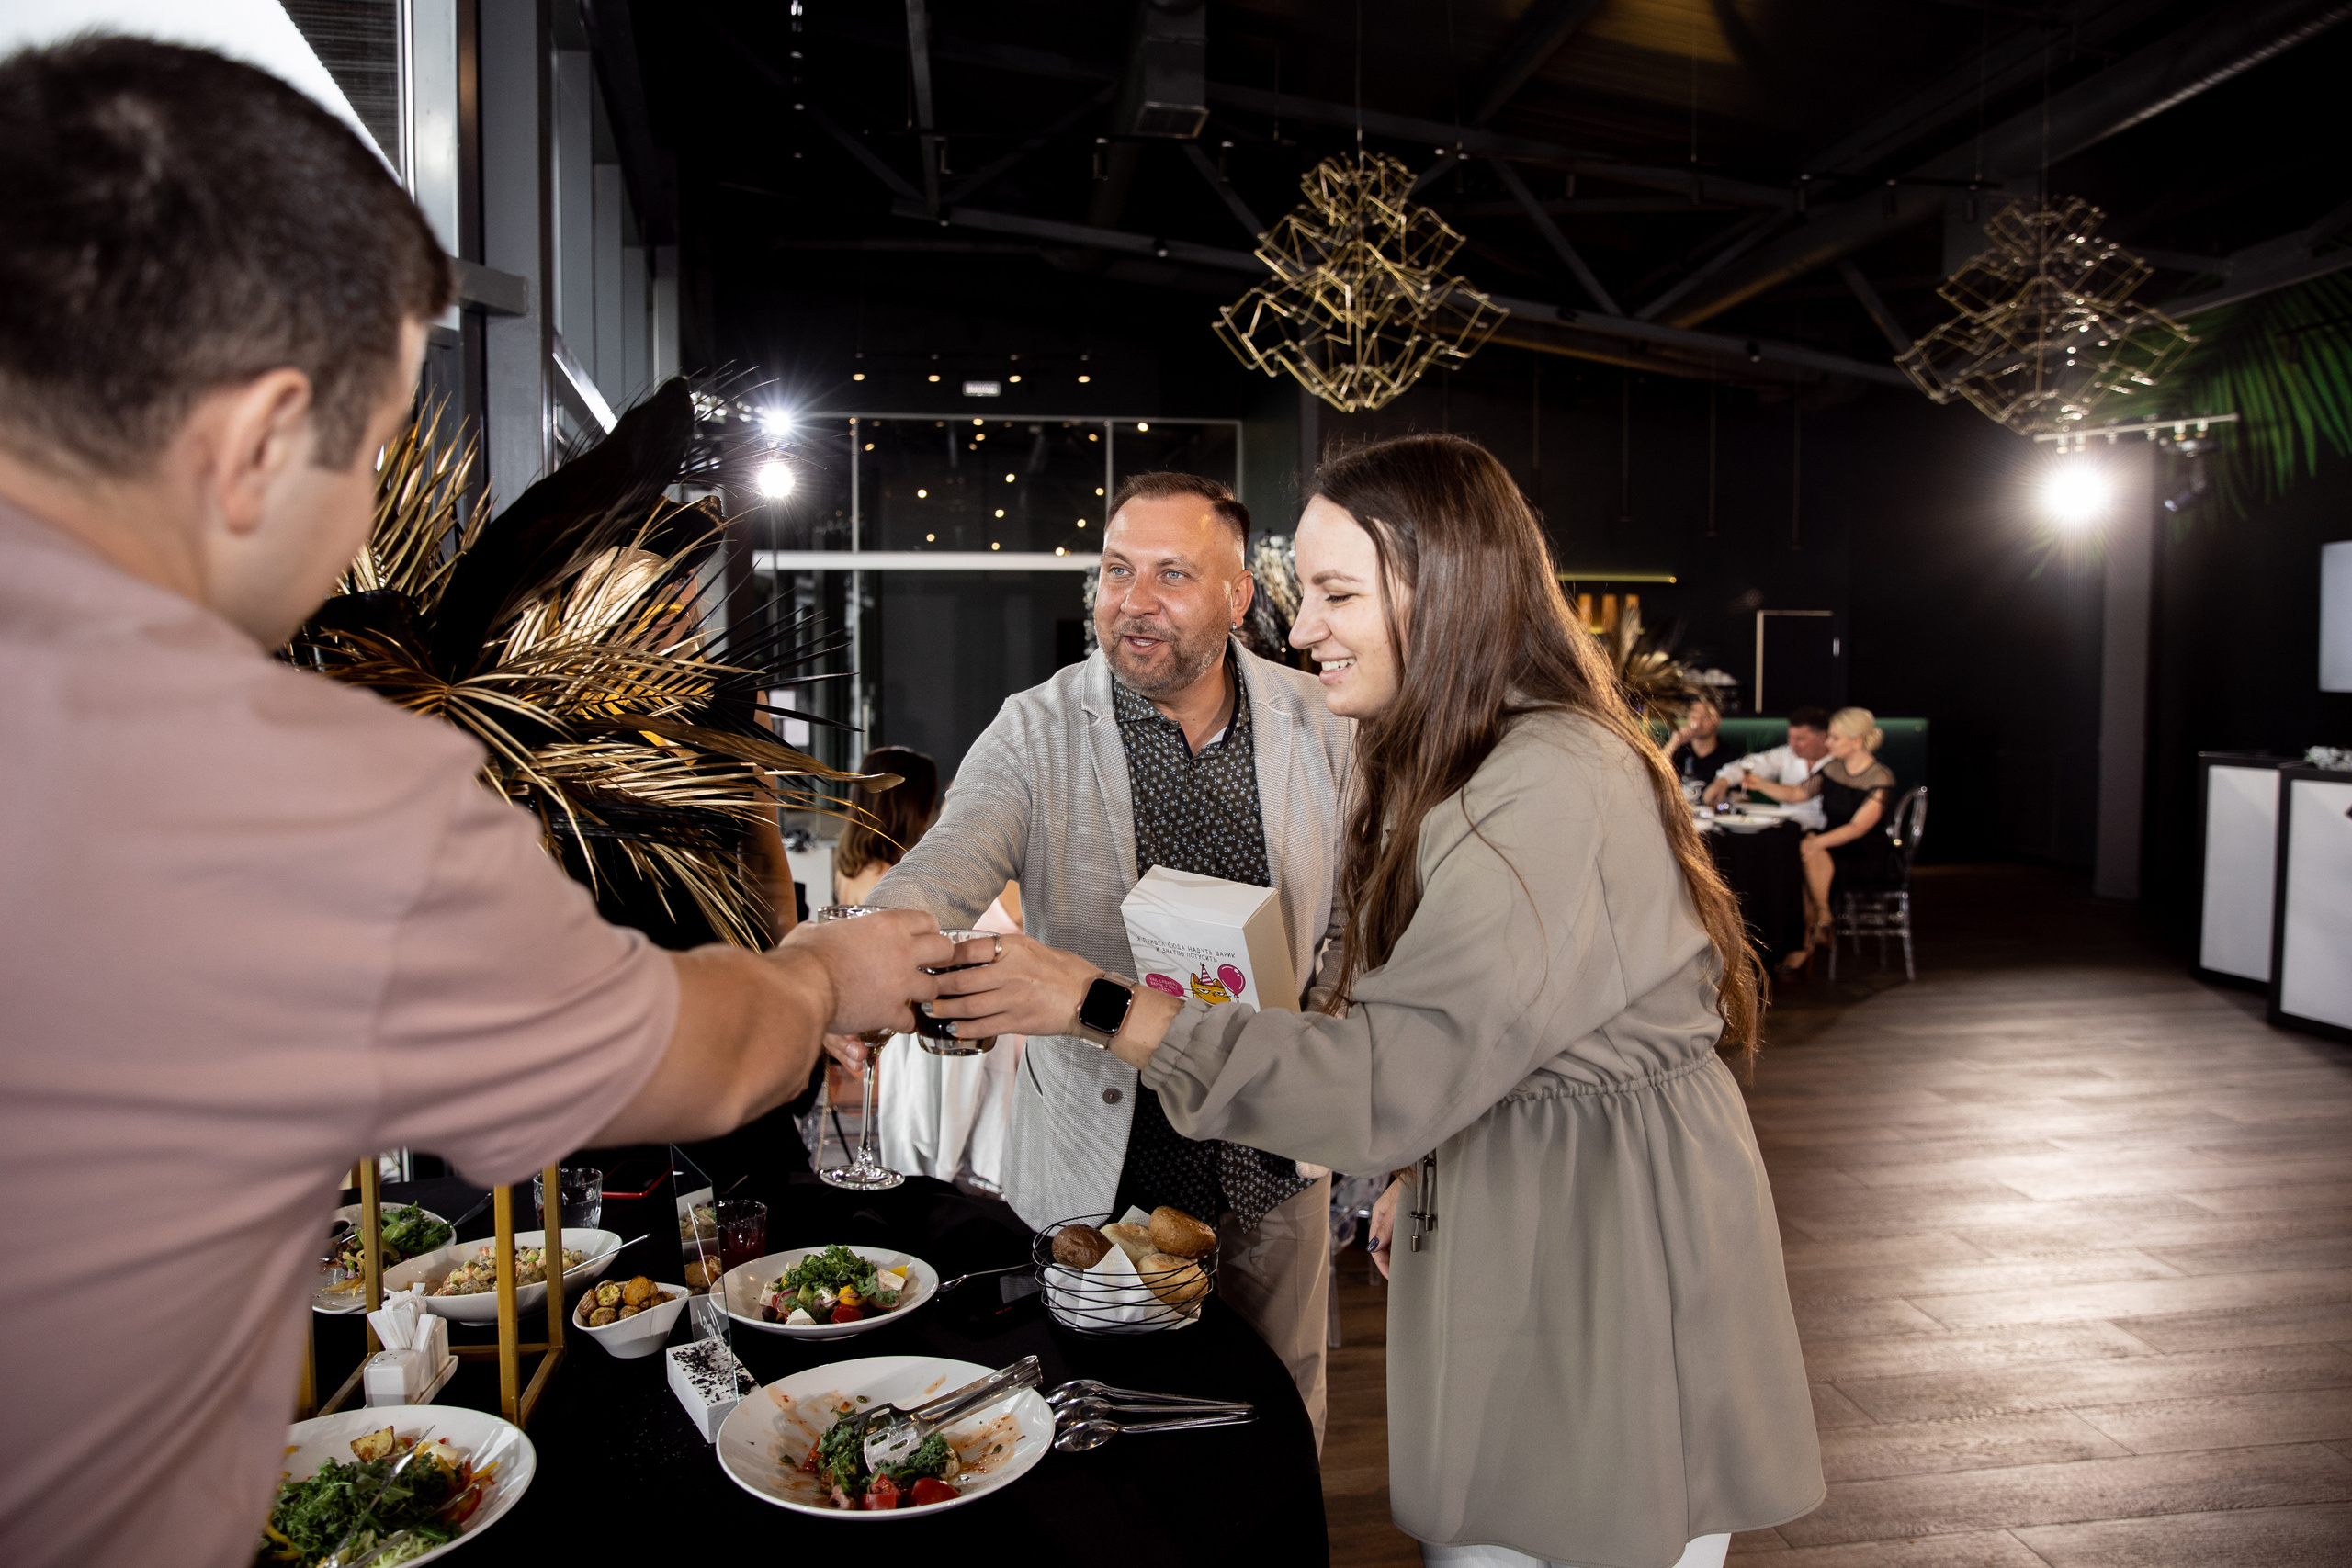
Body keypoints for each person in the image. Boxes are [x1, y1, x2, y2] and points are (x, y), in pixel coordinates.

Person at [0, 40, 951, 1568]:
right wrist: (833, 970)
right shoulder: (292, 791)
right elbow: (697, 1062)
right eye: (368, 458)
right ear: (255, 442)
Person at [932, 434, 1824, 1568]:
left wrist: (1101, 1003)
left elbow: (1386, 1073)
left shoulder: (1545, 781)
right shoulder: (1468, 757)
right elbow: (1474, 1031)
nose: (1302, 633)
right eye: (1308, 597)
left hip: (1601, 1235)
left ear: (1449, 590)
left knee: (1566, 1530)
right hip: (1521, 1190)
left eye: (1338, 595)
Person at [862, 469, 1352, 1442]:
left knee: (1276, 1415)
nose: (1133, 600)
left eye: (1172, 573)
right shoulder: (1036, 729)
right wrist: (840, 962)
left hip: (1270, 1156)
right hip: (1101, 1160)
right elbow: (938, 873)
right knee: (1098, 1432)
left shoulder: (1324, 725)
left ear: (1237, 595)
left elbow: (1354, 931)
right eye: (1116, 570)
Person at [1777, 707, 1899, 973]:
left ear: (1856, 741)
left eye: (1834, 738)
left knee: (1808, 851)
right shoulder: (1832, 768)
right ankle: (1822, 919)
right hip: (1831, 844)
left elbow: (1858, 828)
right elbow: (1796, 794)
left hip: (1863, 851)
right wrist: (1755, 782)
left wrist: (1819, 842)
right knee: (1805, 851)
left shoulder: (1880, 777)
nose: (1828, 743)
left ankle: (1808, 940)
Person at [832, 744, 939, 905]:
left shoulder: (849, 870)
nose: (931, 809)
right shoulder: (887, 882)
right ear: (904, 805)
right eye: (927, 800)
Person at [1702, 703, 1830, 829]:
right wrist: (1723, 781)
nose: (1793, 744)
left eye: (1800, 739)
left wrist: (1760, 783)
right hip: (1787, 828)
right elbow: (1751, 764)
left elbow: (1795, 794)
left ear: (1822, 736)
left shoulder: (1837, 763)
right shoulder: (1786, 754)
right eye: (1790, 738)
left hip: (1825, 830)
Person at [1662, 693, 1727, 785]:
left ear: (1717, 721)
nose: (1698, 723)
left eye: (1704, 717)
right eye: (1693, 717)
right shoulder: (1679, 752)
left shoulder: (1729, 756)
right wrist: (1673, 743)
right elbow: (1654, 771)